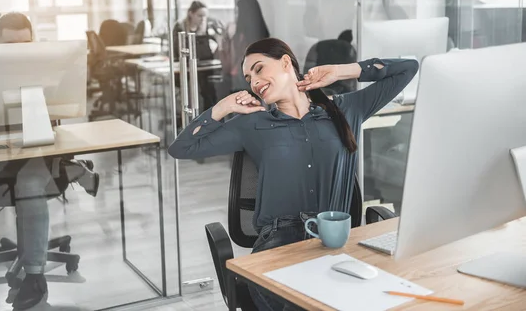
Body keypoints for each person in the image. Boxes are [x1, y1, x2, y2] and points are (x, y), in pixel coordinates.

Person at [168, 38, 418, 310]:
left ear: (286, 62)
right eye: (249, 78)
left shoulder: (345, 109)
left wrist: (342, 71)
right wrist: (223, 108)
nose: (254, 82)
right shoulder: (251, 123)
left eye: (260, 69)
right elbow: (182, 147)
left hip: (334, 244)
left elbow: (408, 67)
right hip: (278, 246)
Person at [0, 12, 98, 310]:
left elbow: (60, 119)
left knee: (30, 181)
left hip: (36, 152)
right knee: (27, 180)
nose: (18, 50)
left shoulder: (45, 71)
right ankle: (75, 172)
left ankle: (34, 277)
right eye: (9, 44)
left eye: (25, 43)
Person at [172, 0, 224, 111]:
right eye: (200, 15)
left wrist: (209, 33)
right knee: (198, 90)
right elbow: (178, 50)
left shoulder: (209, 26)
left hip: (205, 68)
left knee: (209, 91)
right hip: (187, 69)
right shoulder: (180, 27)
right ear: (191, 13)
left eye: (205, 16)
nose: (203, 19)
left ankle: (210, 116)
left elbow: (220, 44)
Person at [219, 0, 270, 94]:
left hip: (240, 84)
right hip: (259, 84)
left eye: (237, 13)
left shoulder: (239, 38)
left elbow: (229, 65)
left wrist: (224, 43)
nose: (235, 16)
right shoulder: (264, 37)